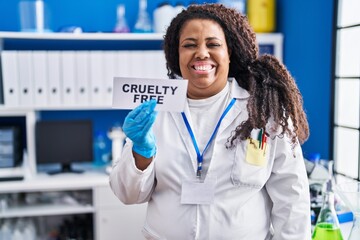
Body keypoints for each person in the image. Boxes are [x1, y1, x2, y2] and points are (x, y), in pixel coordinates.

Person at [110, 3, 311, 240]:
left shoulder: (264, 111)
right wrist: (140, 151)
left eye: (213, 44)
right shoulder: (156, 110)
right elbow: (128, 194)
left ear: (230, 52)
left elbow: (292, 198)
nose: (202, 53)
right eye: (189, 45)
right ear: (177, 55)